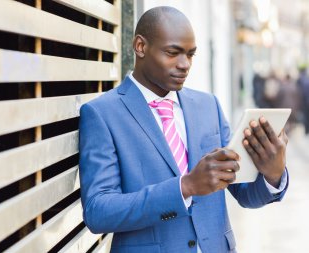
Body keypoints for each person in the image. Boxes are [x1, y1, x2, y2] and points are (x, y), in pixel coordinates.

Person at [79, 6, 289, 253]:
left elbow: (244, 193)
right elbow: (98, 211)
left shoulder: (208, 105)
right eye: (173, 53)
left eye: (190, 55)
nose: (184, 64)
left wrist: (272, 175)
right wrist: (185, 187)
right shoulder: (102, 113)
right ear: (140, 46)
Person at [297, 66, 309, 134]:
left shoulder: (300, 80)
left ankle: (306, 130)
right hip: (306, 101)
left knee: (305, 116)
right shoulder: (306, 80)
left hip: (303, 102)